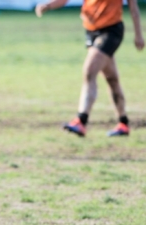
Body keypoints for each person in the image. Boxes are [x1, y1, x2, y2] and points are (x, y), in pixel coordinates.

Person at [36, 0, 143, 137]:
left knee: (89, 71)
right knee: (112, 79)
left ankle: (81, 120)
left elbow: (133, 8)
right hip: (91, 31)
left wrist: (138, 35)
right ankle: (123, 123)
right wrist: (48, 5)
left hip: (111, 31)